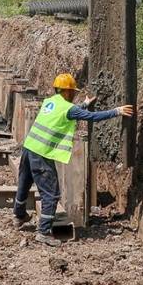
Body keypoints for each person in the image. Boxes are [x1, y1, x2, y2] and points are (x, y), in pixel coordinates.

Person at [13, 73, 134, 247]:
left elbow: (66, 113)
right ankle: (43, 232)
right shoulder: (68, 108)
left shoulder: (50, 102)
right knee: (51, 194)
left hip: (29, 147)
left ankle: (18, 216)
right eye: (73, 93)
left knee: (24, 183)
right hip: (42, 153)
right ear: (68, 92)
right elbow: (91, 117)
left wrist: (84, 104)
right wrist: (116, 111)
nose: (74, 95)